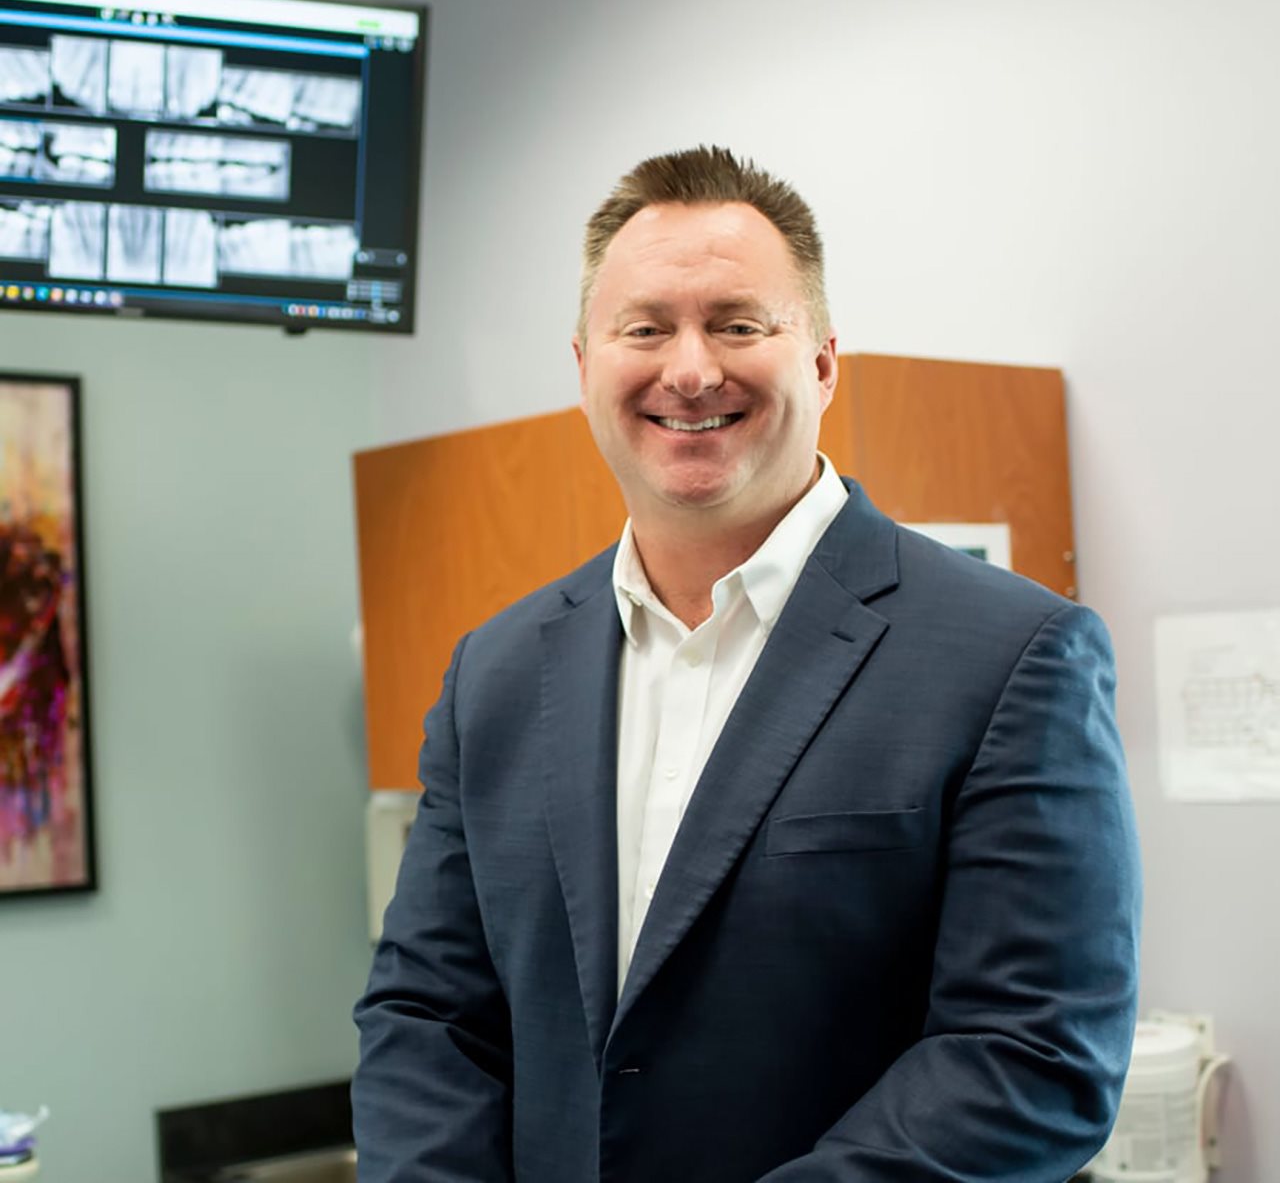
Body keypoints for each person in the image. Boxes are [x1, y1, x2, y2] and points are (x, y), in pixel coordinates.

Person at [353, 146, 1141, 1182]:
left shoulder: (1009, 654)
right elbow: (429, 1016)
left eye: (735, 323)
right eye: (644, 328)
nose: (688, 369)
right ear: (585, 365)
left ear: (818, 359)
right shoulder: (494, 672)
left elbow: (1027, 1056)